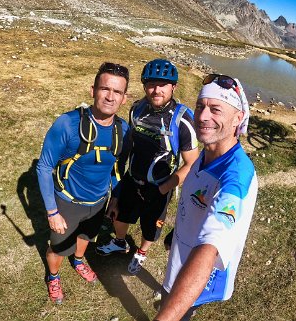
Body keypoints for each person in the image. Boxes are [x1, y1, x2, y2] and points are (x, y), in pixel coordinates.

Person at [153, 73, 258, 321]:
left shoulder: (235, 177)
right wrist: (178, 230)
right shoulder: (208, 152)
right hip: (181, 256)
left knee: (174, 310)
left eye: (215, 109)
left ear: (238, 118)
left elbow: (211, 247)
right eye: (200, 106)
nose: (201, 116)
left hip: (200, 276)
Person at [36, 62, 131, 304]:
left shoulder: (123, 130)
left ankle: (78, 260)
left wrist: (115, 199)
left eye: (117, 92)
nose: (110, 97)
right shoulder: (67, 124)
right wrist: (52, 212)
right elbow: (45, 166)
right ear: (93, 90)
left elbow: (117, 168)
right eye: (105, 89)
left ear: (124, 97)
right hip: (68, 200)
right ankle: (54, 275)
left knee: (86, 236)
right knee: (57, 248)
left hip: (99, 202)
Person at [96, 59, 200, 275]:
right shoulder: (137, 109)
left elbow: (192, 163)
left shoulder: (183, 119)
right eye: (151, 84)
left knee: (151, 227)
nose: (157, 90)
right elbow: (130, 145)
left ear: (174, 87)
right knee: (120, 216)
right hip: (133, 178)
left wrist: (165, 188)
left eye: (163, 84)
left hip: (161, 186)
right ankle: (120, 242)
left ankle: (141, 252)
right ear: (144, 86)